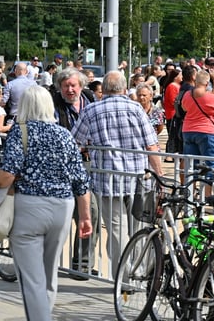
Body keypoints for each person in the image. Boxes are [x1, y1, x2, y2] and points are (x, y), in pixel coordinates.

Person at [0, 85, 92, 321]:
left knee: (31, 278)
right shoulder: (64, 135)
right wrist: (85, 216)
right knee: (49, 273)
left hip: (29, 206)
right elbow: (80, 180)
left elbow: (8, 173)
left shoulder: (20, 131)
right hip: (62, 206)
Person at [71, 71, 163, 279]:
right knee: (139, 228)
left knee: (116, 232)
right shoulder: (136, 109)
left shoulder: (92, 110)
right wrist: (159, 176)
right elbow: (152, 146)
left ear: (103, 89)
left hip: (107, 181)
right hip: (138, 178)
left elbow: (74, 143)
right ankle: (138, 273)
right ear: (124, 89)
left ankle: (122, 276)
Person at [52, 67, 99, 278]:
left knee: (91, 214)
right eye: (66, 86)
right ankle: (62, 263)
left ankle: (82, 264)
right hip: (64, 167)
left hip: (89, 164)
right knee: (67, 215)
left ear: (81, 86)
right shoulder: (54, 105)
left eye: (73, 85)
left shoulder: (89, 101)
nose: (70, 89)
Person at [181, 69, 214, 175]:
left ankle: (191, 189)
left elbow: (184, 108)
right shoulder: (211, 97)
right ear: (207, 83)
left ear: (195, 81)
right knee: (210, 164)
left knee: (191, 164)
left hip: (188, 130)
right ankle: (208, 191)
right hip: (206, 131)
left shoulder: (187, 95)